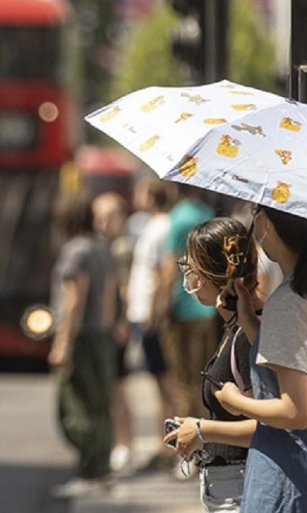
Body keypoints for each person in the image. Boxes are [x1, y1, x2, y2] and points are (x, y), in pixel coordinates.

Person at [206, 205, 307, 511]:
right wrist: (249, 322)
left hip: (295, 482)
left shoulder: (290, 302)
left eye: (257, 211)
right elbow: (302, 365)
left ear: (266, 224)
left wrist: (234, 401)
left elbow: (297, 411)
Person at [163, 217, 261, 511]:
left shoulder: (247, 335)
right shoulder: (237, 326)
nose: (188, 278)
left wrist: (202, 430)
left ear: (207, 274)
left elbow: (271, 426)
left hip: (241, 489)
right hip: (227, 486)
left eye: (190, 267)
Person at [48, 193, 118, 498]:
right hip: (101, 336)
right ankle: (99, 470)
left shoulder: (75, 251)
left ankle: (90, 470)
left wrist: (63, 342)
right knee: (100, 404)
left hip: (83, 338)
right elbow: (109, 296)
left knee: (76, 408)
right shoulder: (102, 249)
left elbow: (74, 299)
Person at [125, 180, 182, 470]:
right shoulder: (150, 225)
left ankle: (178, 446)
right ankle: (166, 445)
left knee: (167, 381)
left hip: (149, 314)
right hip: (140, 311)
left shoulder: (162, 227)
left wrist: (153, 312)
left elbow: (165, 271)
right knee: (158, 382)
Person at [152, 186, 217, 428]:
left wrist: (158, 308)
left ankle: (189, 439)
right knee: (204, 376)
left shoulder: (177, 217)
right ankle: (205, 432)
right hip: (207, 306)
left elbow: (170, 268)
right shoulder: (207, 212)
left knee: (182, 379)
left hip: (181, 306)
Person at [91, 191, 135, 472]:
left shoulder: (122, 249)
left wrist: (122, 321)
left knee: (116, 388)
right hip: (103, 325)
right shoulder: (100, 247)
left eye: (108, 216)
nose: (102, 223)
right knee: (106, 388)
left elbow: (125, 287)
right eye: (98, 217)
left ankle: (124, 444)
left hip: (116, 326)